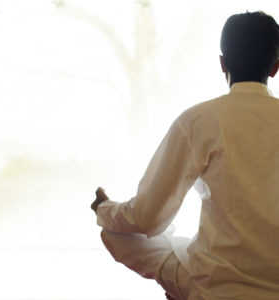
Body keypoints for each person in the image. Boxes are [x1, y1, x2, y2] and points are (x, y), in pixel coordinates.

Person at [91, 11, 279, 300]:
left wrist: (105, 210)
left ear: (222, 63)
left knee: (115, 231)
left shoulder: (199, 120)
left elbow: (147, 218)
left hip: (212, 288)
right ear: (276, 67)